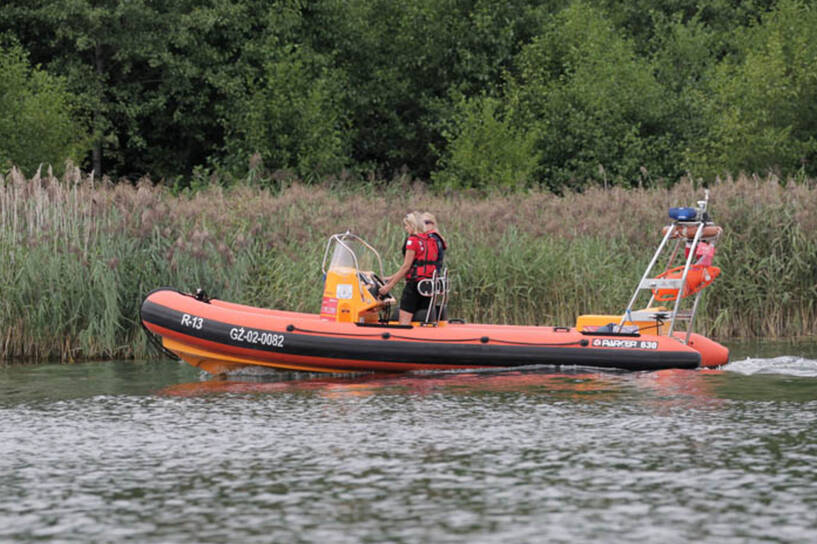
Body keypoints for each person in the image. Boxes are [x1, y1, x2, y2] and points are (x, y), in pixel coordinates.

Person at [378, 212, 439, 324]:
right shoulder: (431, 241)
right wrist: (392, 277)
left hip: (414, 286)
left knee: (404, 321)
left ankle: (402, 337)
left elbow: (406, 266)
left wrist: (389, 286)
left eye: (406, 226)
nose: (406, 228)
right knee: (423, 322)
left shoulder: (413, 240)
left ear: (412, 225)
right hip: (428, 286)